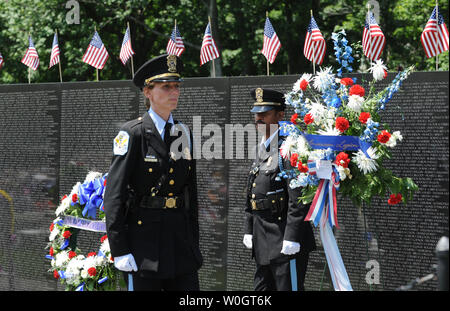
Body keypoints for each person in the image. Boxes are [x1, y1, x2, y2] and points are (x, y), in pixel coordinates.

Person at [103, 54, 202, 291]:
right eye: (166, 86)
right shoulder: (133, 133)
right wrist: (120, 249)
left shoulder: (183, 133)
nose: (174, 92)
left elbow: (190, 193)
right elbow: (114, 195)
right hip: (144, 245)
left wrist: (193, 242)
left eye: (176, 86)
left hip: (179, 243)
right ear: (148, 92)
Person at [243, 88, 316, 291]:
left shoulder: (289, 147)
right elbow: (251, 191)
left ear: (280, 115)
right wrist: (249, 228)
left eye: (264, 114)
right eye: (256, 114)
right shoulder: (262, 147)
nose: (259, 118)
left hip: (283, 236)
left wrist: (291, 236)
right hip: (262, 238)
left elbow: (298, 198)